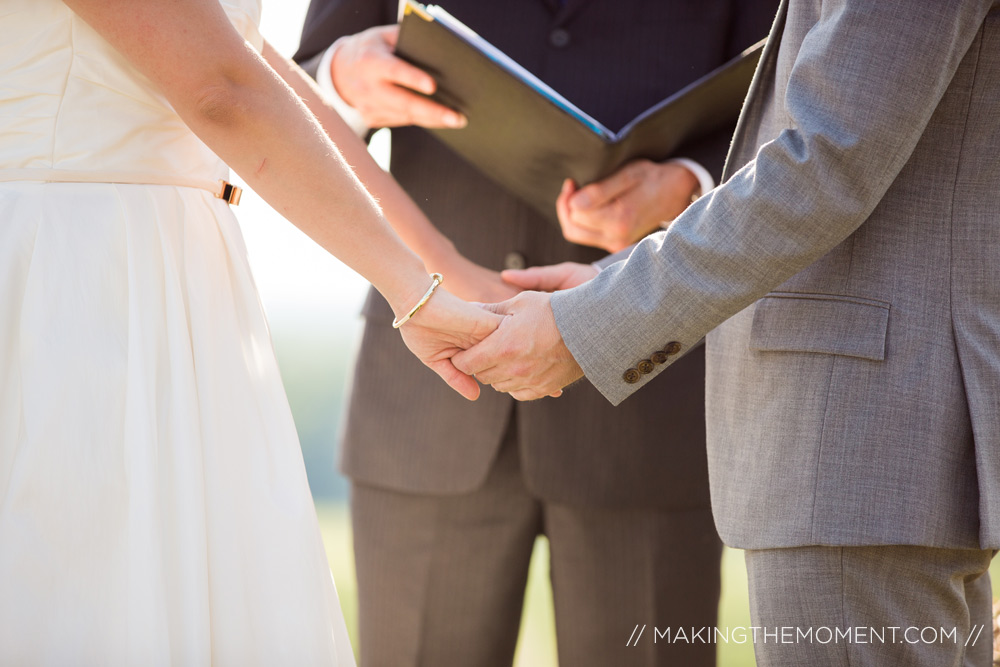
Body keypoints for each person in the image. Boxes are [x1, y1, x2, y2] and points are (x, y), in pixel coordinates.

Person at [455, 1, 1000, 665]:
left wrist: (595, 321)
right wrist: (608, 286)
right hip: (854, 445)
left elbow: (825, 160)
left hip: (858, 437)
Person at [0, 0, 502, 663]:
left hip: (171, 283)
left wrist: (447, 270)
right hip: (72, 283)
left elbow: (249, 62)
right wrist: (415, 294)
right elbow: (221, 89)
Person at [295, 2, 777, 666]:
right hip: (425, 402)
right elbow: (296, 82)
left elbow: (788, 102)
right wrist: (341, 77)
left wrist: (690, 188)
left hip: (648, 399)